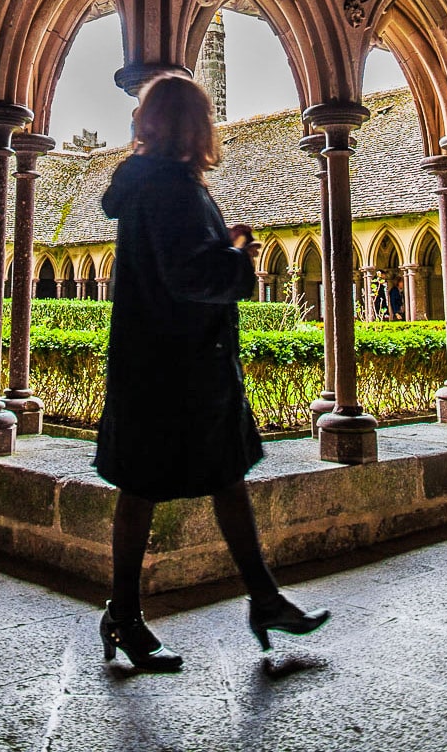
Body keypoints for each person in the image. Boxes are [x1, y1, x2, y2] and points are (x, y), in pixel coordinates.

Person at [95, 74, 329, 671]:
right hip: (176, 371)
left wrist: (218, 246)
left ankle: (263, 598)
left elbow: (174, 261)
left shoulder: (153, 183)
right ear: (193, 126)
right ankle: (125, 615)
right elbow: (187, 277)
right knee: (150, 488)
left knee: (209, 480)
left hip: (167, 366)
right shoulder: (170, 185)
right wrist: (238, 259)